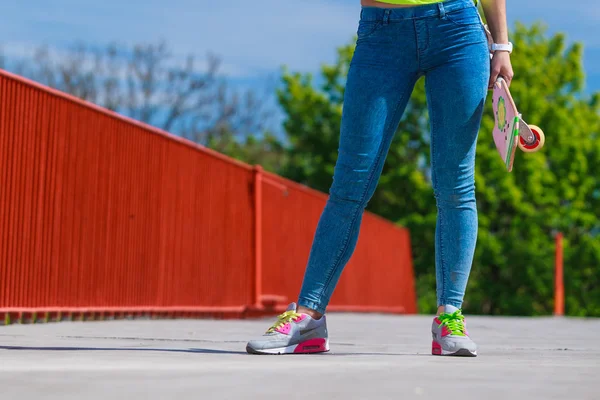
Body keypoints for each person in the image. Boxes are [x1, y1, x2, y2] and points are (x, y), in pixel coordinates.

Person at [246, 0, 513, 356]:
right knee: (349, 186)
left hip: (458, 30)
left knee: (455, 185)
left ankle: (450, 316)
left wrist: (501, 45)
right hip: (381, 31)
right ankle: (308, 317)